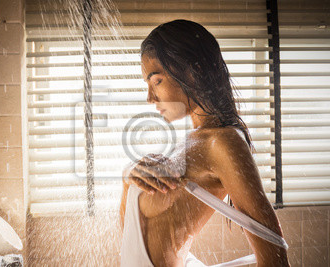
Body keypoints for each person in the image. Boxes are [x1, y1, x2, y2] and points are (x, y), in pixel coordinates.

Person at [119, 19, 290, 266]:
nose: (149, 97)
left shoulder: (223, 143)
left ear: (194, 71)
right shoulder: (190, 141)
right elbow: (130, 234)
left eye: (156, 81)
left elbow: (274, 256)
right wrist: (129, 177)